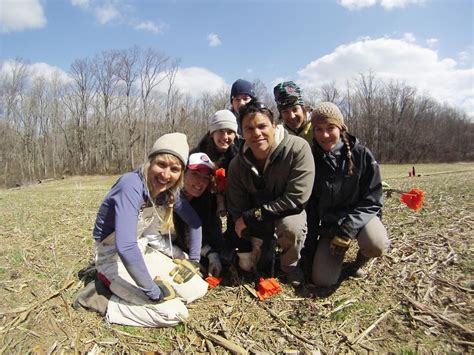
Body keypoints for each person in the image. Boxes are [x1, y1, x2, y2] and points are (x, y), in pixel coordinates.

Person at [76, 133, 208, 327]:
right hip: (113, 258)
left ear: (181, 173)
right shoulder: (131, 185)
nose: (166, 174)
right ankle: (99, 298)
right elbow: (126, 246)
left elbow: (194, 221)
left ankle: (138, 290)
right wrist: (152, 291)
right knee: (175, 314)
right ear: (150, 161)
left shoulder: (168, 190)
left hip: (144, 250)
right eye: (161, 164)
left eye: (174, 169)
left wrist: (194, 262)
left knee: (198, 288)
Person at [226, 99, 315, 287]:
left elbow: (296, 199)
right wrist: (244, 240)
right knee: (252, 266)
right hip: (258, 219)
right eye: (249, 129)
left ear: (274, 126)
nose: (257, 133)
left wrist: (252, 216)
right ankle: (263, 247)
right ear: (242, 132)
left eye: (262, 126)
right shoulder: (237, 164)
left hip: (288, 212)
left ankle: (291, 266)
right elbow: (236, 207)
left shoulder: (298, 148)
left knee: (291, 227)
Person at [309, 102, 390, 288]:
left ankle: (357, 263)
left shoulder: (361, 154)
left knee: (376, 244)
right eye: (318, 129)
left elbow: (373, 200)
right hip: (331, 227)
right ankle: (335, 254)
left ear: (341, 128)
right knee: (322, 280)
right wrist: (310, 250)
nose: (325, 135)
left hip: (362, 219)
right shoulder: (311, 159)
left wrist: (347, 229)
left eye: (331, 128)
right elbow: (311, 209)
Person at [173, 152, 223, 277]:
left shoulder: (204, 202)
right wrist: (181, 255)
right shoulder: (168, 198)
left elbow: (191, 238)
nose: (200, 182)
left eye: (206, 177)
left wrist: (212, 255)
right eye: (195, 174)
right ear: (183, 173)